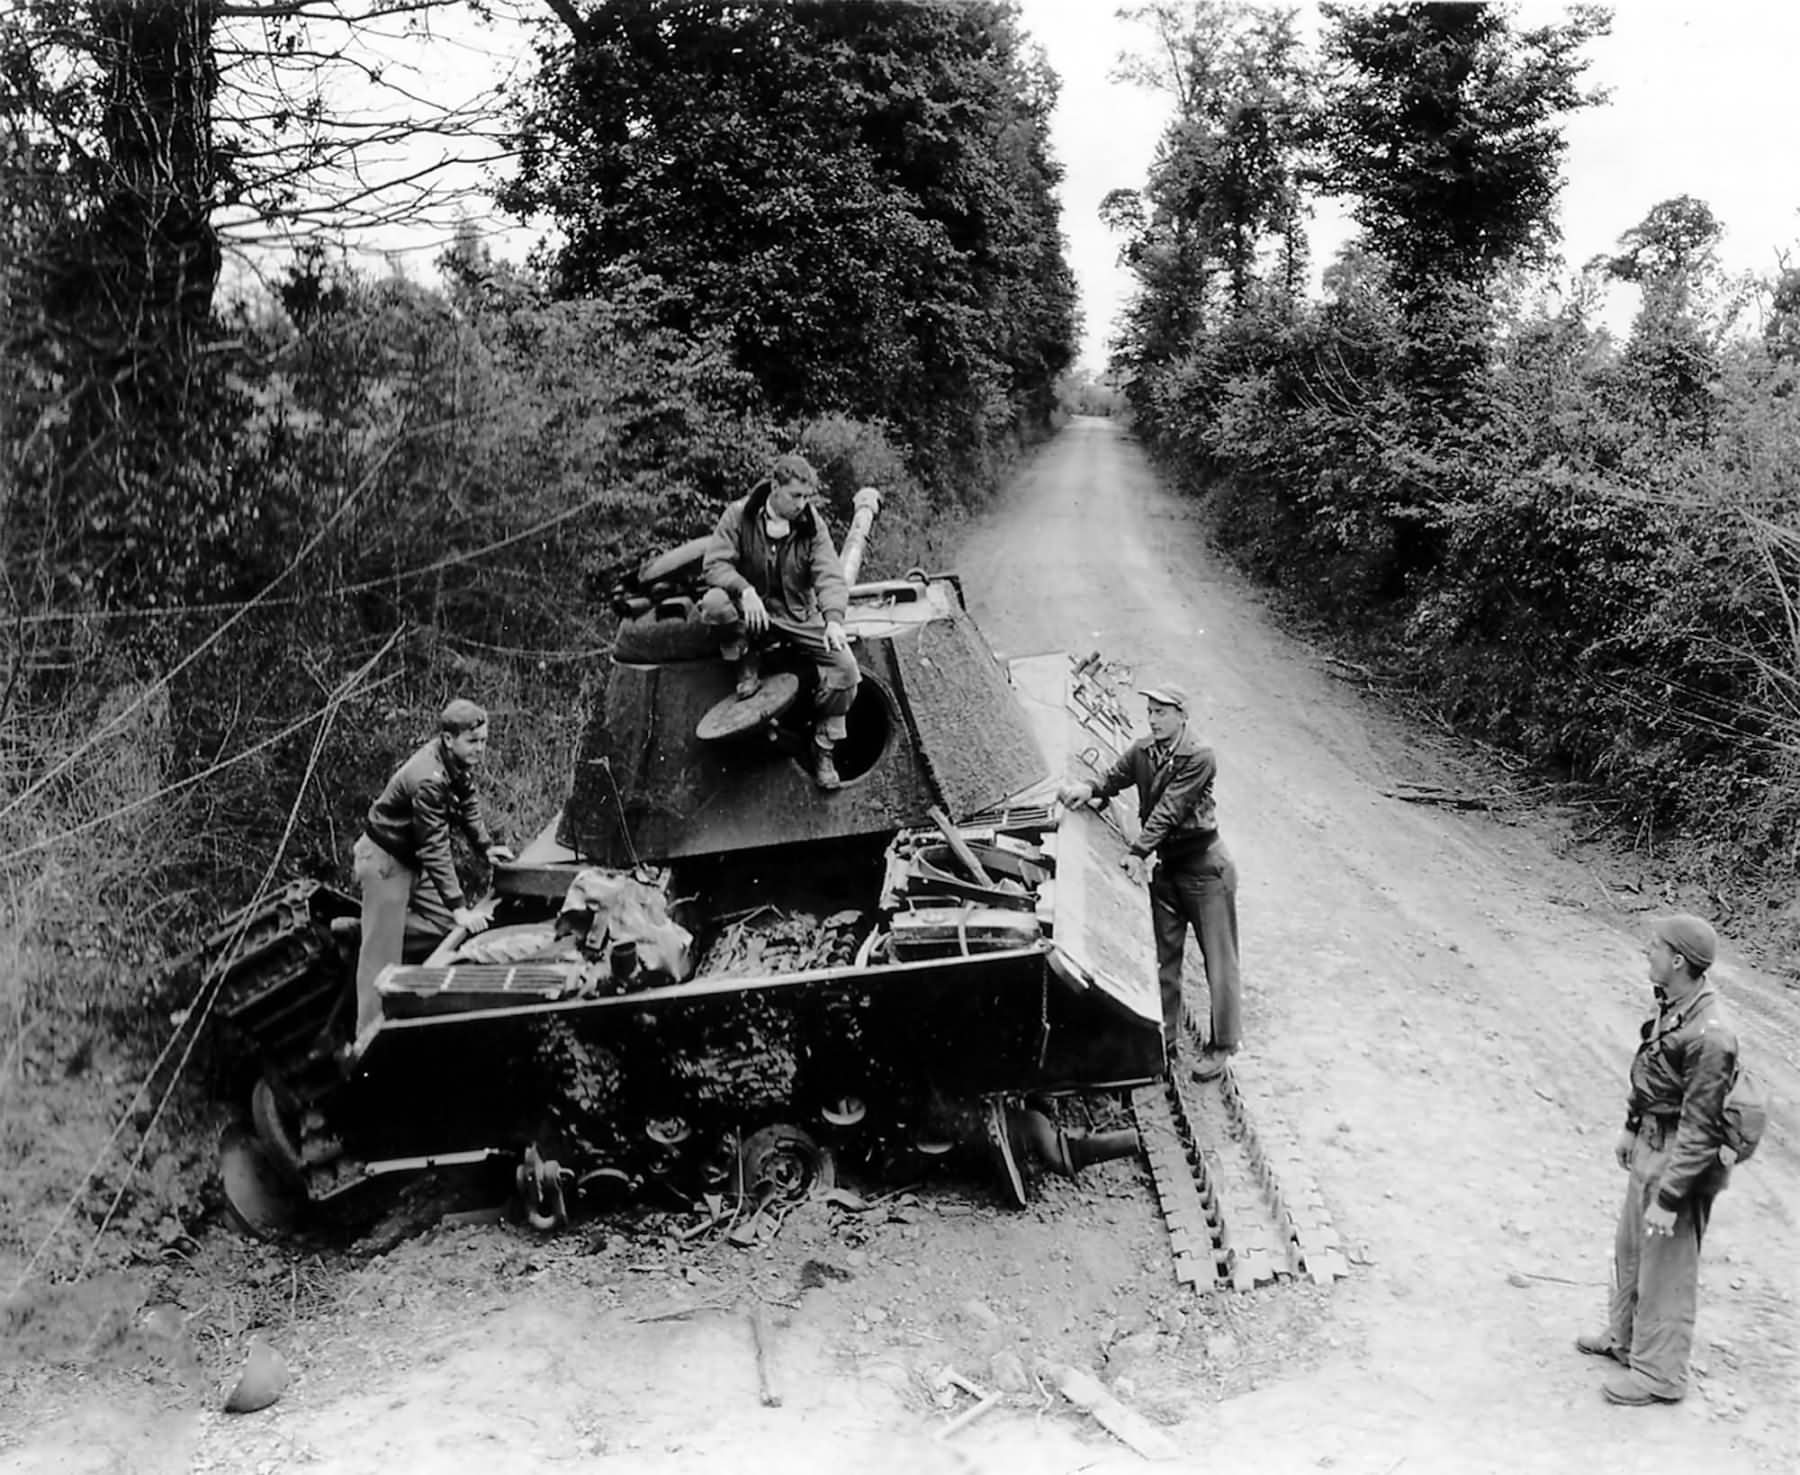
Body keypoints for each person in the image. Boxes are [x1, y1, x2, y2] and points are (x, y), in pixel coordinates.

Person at [1578, 913, 1738, 1406]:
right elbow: (1651, 1070)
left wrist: (1671, 1196)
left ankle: (1660, 1376)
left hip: (1679, 1158)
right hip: (1651, 1141)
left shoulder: (1712, 1035)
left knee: (1665, 1268)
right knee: (1631, 1251)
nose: (1646, 952)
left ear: (1677, 960)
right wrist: (1631, 1126)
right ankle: (1625, 1339)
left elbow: (1701, 1127)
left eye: (1655, 947)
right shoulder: (1674, 1007)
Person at [1056, 682, 1241, 1079]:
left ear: (1182, 715)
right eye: (1151, 711)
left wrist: (1137, 851)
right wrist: (1086, 789)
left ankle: (1222, 1046)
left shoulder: (1199, 756)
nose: (1153, 719)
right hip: (1170, 869)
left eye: (1162, 712)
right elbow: (1114, 776)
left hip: (1205, 868)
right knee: (1163, 956)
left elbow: (1170, 810)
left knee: (1219, 959)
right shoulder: (1143, 751)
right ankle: (1163, 1040)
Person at [350, 699, 514, 1053]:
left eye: (484, 741)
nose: (480, 749)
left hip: (411, 864)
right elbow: (434, 848)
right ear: (448, 738)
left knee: (446, 932)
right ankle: (368, 1040)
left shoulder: (454, 762)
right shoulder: (427, 778)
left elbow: (468, 803)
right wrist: (459, 906)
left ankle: (368, 928)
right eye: (473, 742)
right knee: (381, 962)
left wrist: (486, 847)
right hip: (386, 863)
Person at [699, 452, 860, 790]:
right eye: (795, 496)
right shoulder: (739, 515)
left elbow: (829, 574)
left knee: (846, 669)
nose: (802, 504)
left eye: (806, 497)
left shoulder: (811, 524)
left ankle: (823, 742)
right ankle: (746, 660)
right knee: (713, 604)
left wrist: (832, 620)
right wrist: (743, 590)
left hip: (797, 614)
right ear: (775, 487)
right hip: (751, 612)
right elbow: (714, 565)